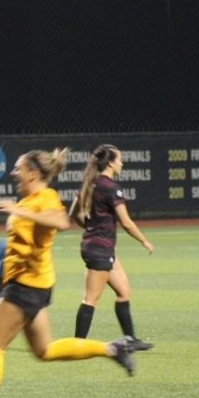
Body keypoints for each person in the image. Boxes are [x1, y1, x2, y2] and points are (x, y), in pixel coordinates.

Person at [0, 148, 136, 398]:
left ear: (33, 173)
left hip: (27, 286)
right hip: (30, 283)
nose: (14, 172)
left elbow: (62, 221)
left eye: (18, 168)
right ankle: (111, 349)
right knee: (44, 350)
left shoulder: (44, 197)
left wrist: (18, 210)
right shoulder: (31, 199)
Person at [70, 144, 154, 350]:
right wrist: (144, 240)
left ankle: (129, 339)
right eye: (119, 159)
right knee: (90, 299)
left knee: (124, 291)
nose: (122, 163)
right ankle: (75, 345)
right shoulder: (110, 187)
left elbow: (73, 213)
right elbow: (126, 222)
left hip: (98, 247)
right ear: (110, 163)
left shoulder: (90, 184)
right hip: (100, 249)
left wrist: (88, 226)